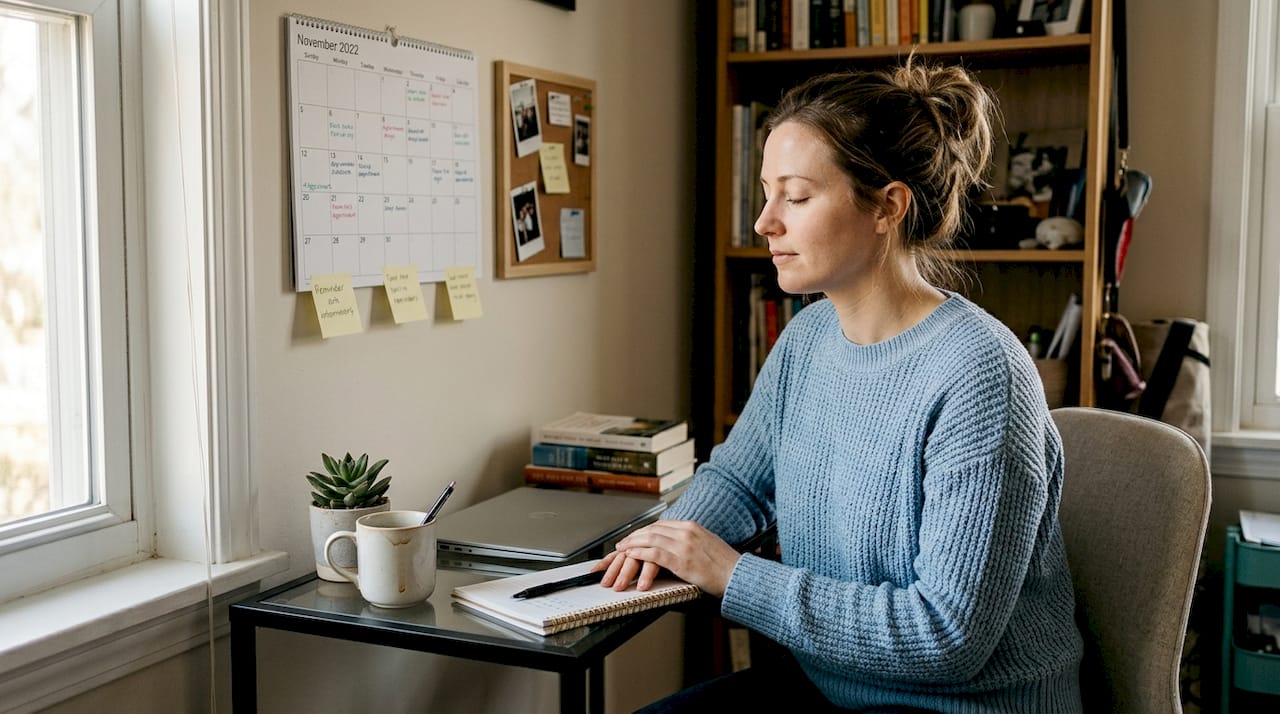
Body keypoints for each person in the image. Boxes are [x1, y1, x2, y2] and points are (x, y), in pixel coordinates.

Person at [600, 58, 1084, 713]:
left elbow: (947, 635)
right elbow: (740, 483)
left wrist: (732, 574)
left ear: (888, 206)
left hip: (967, 705)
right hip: (834, 688)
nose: (765, 222)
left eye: (795, 197)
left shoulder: (980, 374)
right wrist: (644, 552)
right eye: (767, 193)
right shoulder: (808, 338)